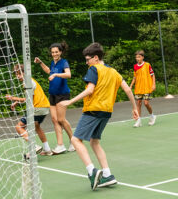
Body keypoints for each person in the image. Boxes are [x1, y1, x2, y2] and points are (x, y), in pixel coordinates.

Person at [59, 42, 139, 190]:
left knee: (75, 140)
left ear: (96, 58)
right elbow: (128, 90)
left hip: (93, 110)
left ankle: (92, 171)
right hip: (106, 112)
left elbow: (90, 90)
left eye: (88, 59)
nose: (86, 62)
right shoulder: (114, 72)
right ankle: (108, 175)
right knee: (94, 142)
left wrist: (70, 101)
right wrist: (134, 108)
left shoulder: (94, 69)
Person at [34, 42, 75, 154]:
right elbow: (49, 71)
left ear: (60, 52)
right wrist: (41, 63)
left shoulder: (63, 62)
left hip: (62, 94)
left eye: (56, 52)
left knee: (61, 119)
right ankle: (60, 145)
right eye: (52, 52)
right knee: (55, 120)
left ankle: (73, 141)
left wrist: (56, 75)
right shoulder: (53, 63)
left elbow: (68, 74)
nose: (54, 54)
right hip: (52, 94)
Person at [6, 64, 53, 157]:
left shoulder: (27, 82)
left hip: (37, 108)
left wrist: (13, 98)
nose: (18, 76)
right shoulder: (31, 81)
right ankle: (47, 150)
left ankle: (34, 146)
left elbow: (28, 99)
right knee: (37, 127)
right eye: (16, 74)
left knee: (19, 127)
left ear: (25, 73)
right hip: (44, 107)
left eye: (19, 73)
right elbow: (29, 98)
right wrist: (17, 102)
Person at [129, 50, 156, 127]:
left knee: (146, 103)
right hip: (138, 88)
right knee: (138, 104)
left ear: (143, 57)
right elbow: (135, 77)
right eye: (136, 57)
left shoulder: (147, 65)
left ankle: (152, 116)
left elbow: (152, 75)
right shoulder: (135, 66)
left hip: (147, 87)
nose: (137, 58)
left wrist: (153, 84)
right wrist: (130, 86)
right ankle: (138, 120)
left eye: (139, 57)